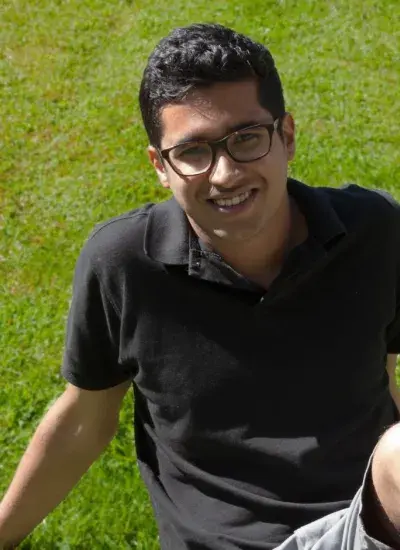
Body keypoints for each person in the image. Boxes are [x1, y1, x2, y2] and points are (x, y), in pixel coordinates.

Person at [0, 22, 400, 550]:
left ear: (288, 136)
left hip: (361, 525)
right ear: (160, 167)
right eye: (193, 152)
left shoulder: (374, 233)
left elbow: (384, 376)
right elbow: (83, 423)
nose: (226, 173)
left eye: (247, 138)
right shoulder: (124, 264)